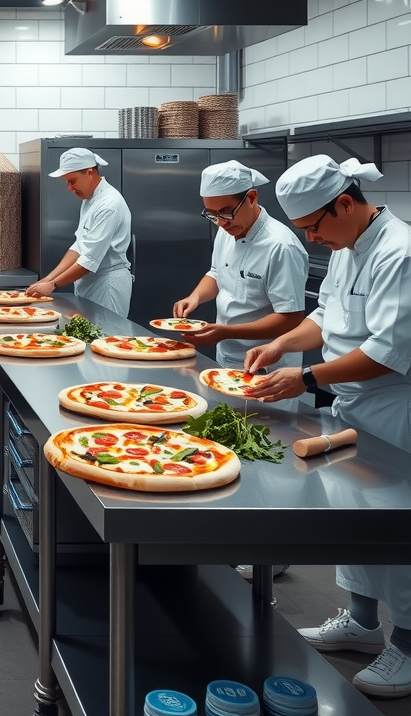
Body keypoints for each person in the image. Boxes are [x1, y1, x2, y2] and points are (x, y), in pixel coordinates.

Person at [244, 155, 411, 699]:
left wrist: (307, 377)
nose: (311, 239)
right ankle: (362, 623)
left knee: (396, 527)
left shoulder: (399, 253)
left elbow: (387, 353)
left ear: (345, 203)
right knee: (356, 518)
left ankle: (409, 645)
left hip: (395, 407)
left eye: (313, 227)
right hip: (353, 403)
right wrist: (281, 344)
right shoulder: (348, 245)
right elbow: (325, 317)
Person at [173, 160, 308, 372]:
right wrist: (195, 297)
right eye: (212, 214)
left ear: (252, 198)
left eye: (226, 212)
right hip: (226, 353)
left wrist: (227, 332)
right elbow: (217, 273)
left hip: (267, 363)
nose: (221, 222)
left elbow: (290, 318)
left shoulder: (281, 246)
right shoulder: (227, 229)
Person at [25, 147, 132, 318]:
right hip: (90, 282)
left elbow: (89, 260)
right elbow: (79, 246)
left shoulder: (109, 204)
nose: (69, 188)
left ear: (89, 173)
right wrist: (48, 279)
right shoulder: (90, 200)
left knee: (107, 332)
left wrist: (53, 285)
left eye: (72, 181)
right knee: (87, 332)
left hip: (107, 286)